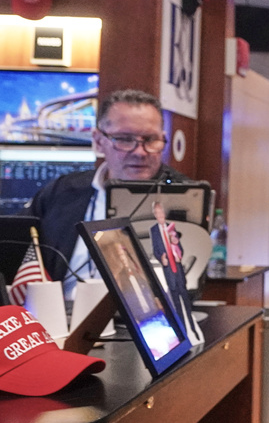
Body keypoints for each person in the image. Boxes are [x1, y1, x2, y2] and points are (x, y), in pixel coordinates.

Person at [28, 89, 188, 300]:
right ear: (98, 140)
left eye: (150, 139)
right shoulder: (61, 192)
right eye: (124, 139)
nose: (140, 152)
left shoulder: (183, 195)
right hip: (59, 319)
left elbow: (189, 282)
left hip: (148, 322)